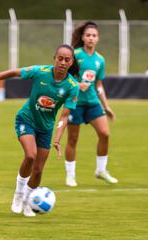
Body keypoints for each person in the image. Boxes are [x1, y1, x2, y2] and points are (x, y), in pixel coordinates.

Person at [0, 44, 80, 217]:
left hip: (46, 128)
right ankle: (18, 194)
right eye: (60, 58)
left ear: (72, 62)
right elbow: (14, 72)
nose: (63, 63)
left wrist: (57, 139)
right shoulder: (40, 72)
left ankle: (29, 202)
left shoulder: (72, 86)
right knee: (30, 155)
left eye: (67, 60)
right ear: (54, 58)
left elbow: (64, 116)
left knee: (38, 170)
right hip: (26, 119)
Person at [64, 21, 118, 187]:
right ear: (82, 37)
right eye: (88, 35)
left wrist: (106, 106)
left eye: (94, 35)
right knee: (73, 139)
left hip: (93, 103)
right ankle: (70, 176)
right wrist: (77, 85)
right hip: (75, 103)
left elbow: (99, 85)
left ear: (98, 38)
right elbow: (64, 76)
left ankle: (101, 170)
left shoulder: (100, 60)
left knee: (105, 134)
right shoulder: (76, 54)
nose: (91, 38)